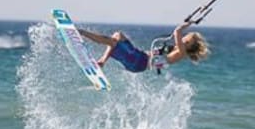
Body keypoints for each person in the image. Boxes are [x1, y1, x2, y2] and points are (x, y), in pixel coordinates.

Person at [77, 22, 209, 73]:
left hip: (139, 61)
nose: (184, 39)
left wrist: (188, 24)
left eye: (187, 40)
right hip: (137, 63)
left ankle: (81, 33)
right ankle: (102, 61)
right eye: (186, 37)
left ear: (191, 46)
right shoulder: (175, 50)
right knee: (117, 37)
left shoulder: (181, 53)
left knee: (114, 41)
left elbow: (177, 32)